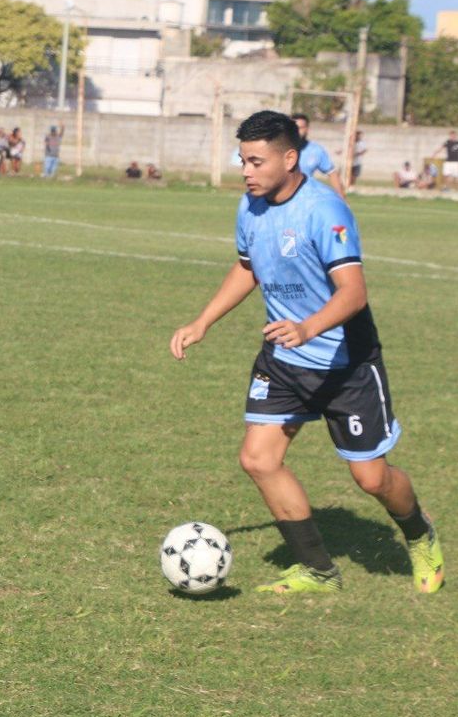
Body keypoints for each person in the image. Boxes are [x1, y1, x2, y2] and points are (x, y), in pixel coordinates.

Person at [169, 109, 442, 595]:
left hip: (346, 365)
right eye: (242, 161)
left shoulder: (324, 209)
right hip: (284, 360)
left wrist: (307, 327)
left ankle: (419, 532)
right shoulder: (249, 207)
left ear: (289, 158)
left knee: (372, 479)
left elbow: (353, 293)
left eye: (255, 161)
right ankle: (318, 570)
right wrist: (202, 321)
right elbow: (247, 268)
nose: (246, 171)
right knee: (258, 459)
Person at [290, 113, 346, 199]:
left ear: (307, 129)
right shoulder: (279, 149)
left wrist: (342, 199)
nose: (297, 131)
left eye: (301, 128)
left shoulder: (316, 150)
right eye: (294, 128)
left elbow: (332, 173)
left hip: (305, 198)